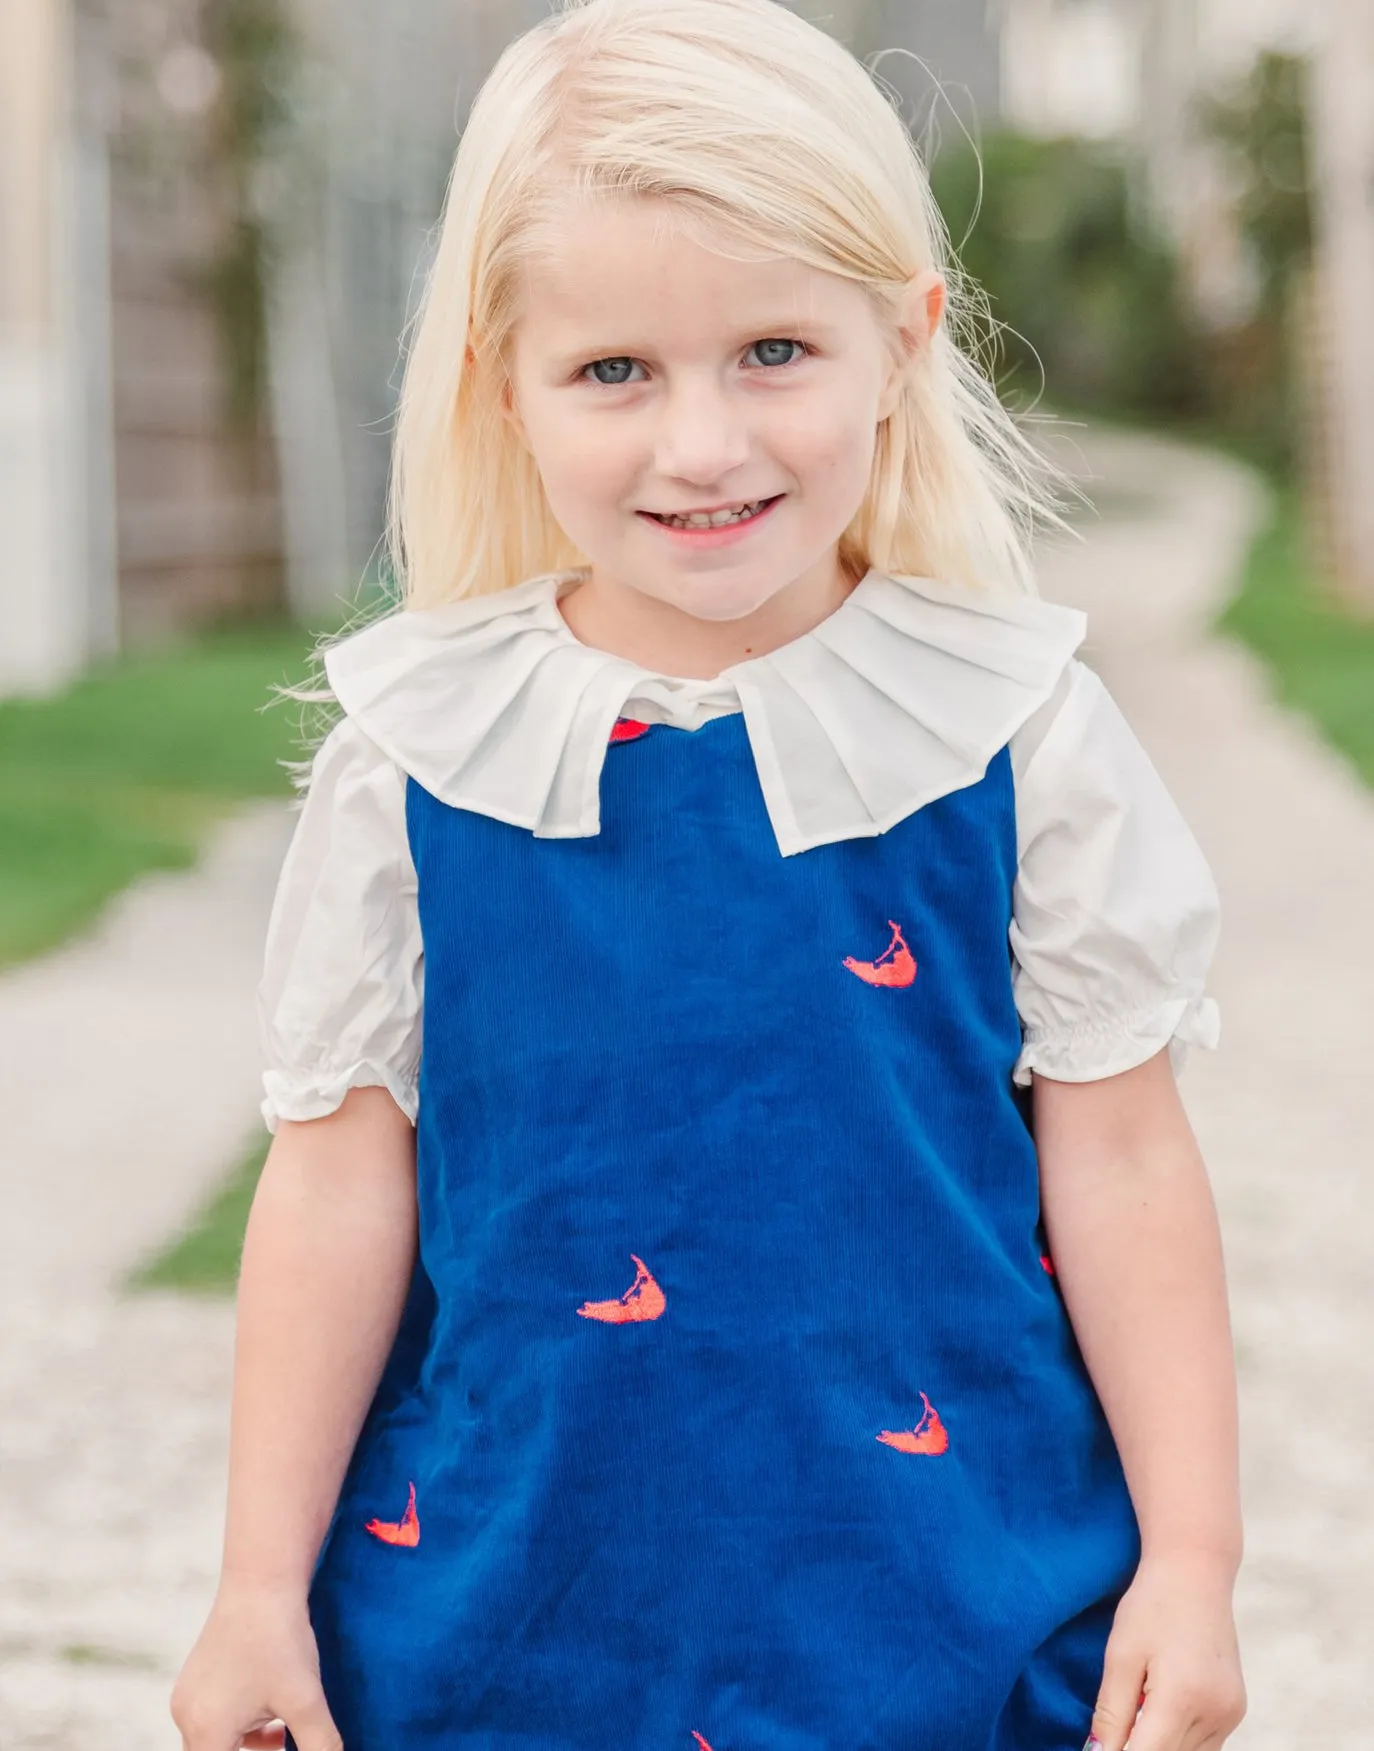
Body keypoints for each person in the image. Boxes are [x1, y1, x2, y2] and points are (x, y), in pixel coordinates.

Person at [170, 1, 1248, 1747]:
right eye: (614, 372)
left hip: (945, 1594)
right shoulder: (418, 752)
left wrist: (1191, 1557)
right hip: (500, 1604)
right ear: (498, 389)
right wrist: (253, 1589)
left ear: (901, 342)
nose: (703, 447)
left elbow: (1120, 1158)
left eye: (772, 352)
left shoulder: (1015, 731)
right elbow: (337, 1182)